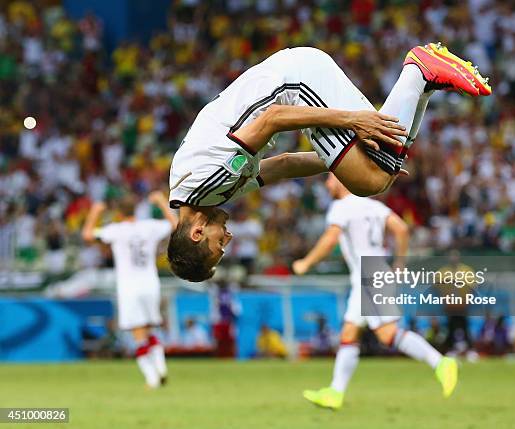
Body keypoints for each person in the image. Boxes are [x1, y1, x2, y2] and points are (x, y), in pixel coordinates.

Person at [166, 43, 491, 282]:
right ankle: (425, 84)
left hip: (295, 83)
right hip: (294, 79)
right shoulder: (200, 193)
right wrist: (346, 158)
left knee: (369, 180)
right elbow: (283, 165)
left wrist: (352, 122)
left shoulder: (207, 182)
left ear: (197, 233)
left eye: (218, 244)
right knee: (378, 173)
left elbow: (272, 118)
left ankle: (418, 71)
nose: (228, 238)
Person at [292, 174, 458, 410]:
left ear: (341, 181)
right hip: (374, 271)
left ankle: (441, 362)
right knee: (349, 333)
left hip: (369, 277)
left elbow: (330, 240)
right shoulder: (372, 204)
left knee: (387, 334)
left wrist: (306, 263)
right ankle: (335, 393)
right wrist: (399, 264)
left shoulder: (340, 207)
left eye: (330, 178)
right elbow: (401, 229)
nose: (328, 184)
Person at [82, 191, 177, 389]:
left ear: (118, 211)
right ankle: (161, 368)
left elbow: (87, 235)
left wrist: (95, 212)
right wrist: (161, 202)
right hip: (151, 283)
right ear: (135, 209)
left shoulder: (115, 230)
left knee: (138, 333)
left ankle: (152, 378)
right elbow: (176, 225)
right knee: (151, 329)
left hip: (129, 287)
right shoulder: (150, 226)